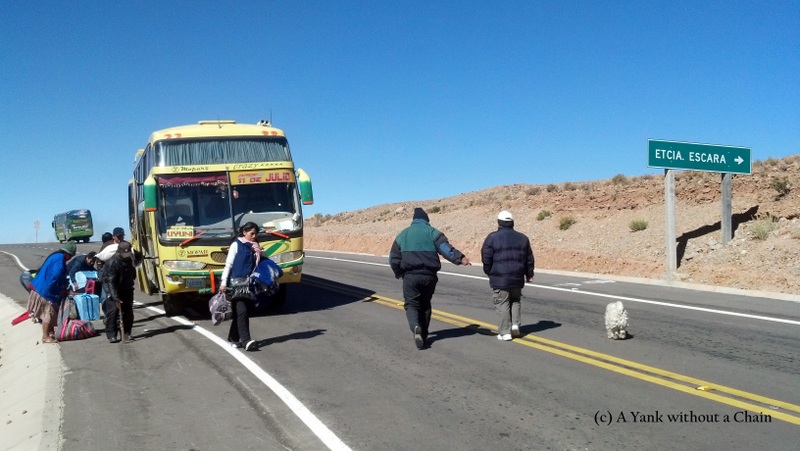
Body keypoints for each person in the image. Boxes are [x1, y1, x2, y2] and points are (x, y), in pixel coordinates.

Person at [389, 207, 471, 349]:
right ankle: (424, 334)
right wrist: (461, 259)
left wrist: (399, 272)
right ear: (427, 220)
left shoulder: (403, 234)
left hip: (410, 276)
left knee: (412, 304)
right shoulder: (433, 232)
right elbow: (447, 250)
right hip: (429, 276)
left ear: (413, 220)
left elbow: (393, 259)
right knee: (425, 305)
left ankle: (416, 327)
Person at [480, 211, 535, 341]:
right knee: (515, 300)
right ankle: (515, 325)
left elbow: (486, 257)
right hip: (517, 276)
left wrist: (489, 271)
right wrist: (529, 273)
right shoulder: (523, 238)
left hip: (500, 277)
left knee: (502, 302)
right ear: (512, 223)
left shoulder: (492, 238)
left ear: (499, 223)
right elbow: (529, 258)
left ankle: (505, 332)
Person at [219, 222, 263, 351]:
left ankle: (233, 337)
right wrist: (223, 283)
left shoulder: (254, 246)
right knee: (242, 311)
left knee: (244, 312)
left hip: (250, 284)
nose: (254, 236)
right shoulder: (236, 245)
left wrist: (260, 253)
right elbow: (229, 265)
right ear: (244, 232)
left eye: (256, 234)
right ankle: (246, 341)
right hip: (236, 285)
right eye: (252, 233)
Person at [26, 242, 76, 343]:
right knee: (48, 313)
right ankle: (45, 337)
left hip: (39, 286)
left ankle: (49, 333)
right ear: (68, 254)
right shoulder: (60, 258)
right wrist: (64, 284)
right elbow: (57, 274)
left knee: (48, 312)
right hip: (46, 290)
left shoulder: (55, 256)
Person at [102, 241, 136, 343]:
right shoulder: (113, 262)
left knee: (128, 312)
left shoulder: (131, 259)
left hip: (127, 288)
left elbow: (133, 273)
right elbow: (111, 281)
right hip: (113, 288)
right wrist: (115, 297)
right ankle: (112, 334)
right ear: (119, 252)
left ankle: (127, 333)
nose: (126, 256)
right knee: (113, 312)